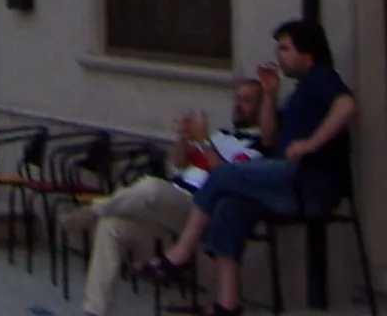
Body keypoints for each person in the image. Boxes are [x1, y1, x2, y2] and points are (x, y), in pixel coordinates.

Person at [144, 20, 358, 316]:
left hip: (309, 183)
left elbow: (347, 106)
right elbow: (269, 137)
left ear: (307, 52)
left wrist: (310, 144)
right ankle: (227, 305)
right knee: (231, 206)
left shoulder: (321, 77)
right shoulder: (300, 91)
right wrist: (270, 93)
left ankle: (180, 254)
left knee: (222, 175)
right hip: (286, 181)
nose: (279, 55)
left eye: (285, 48)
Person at [58, 80, 264, 316]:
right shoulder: (221, 136)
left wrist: (205, 142)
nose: (239, 105)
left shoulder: (254, 148)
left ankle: (93, 210)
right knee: (110, 227)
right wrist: (183, 139)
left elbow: (226, 177)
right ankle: (95, 311)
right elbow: (179, 168)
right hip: (174, 201)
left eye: (247, 100)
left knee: (151, 187)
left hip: (201, 211)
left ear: (261, 107)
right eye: (237, 99)